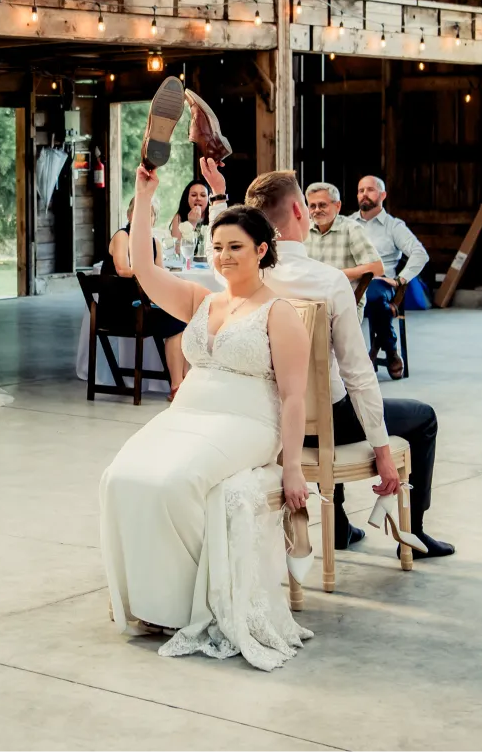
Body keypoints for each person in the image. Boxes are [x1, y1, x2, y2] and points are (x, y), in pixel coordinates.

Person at [101, 162, 315, 671]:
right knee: (120, 478)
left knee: (176, 482)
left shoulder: (280, 312)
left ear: (262, 250)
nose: (223, 256)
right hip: (189, 413)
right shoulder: (201, 298)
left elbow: (292, 397)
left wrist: (291, 467)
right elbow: (147, 272)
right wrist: (143, 197)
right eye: (217, 247)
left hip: (246, 422)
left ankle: (187, 607)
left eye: (236, 247)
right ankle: (153, 605)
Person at [246, 168, 455, 558]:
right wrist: (382, 451)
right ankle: (417, 532)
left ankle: (340, 528)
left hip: (268, 421)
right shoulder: (327, 281)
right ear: (298, 210)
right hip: (328, 421)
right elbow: (358, 374)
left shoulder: (245, 277)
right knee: (420, 417)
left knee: (332, 403)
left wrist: (222, 200)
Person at [105, 197, 188, 396]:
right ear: (129, 215)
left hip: (143, 307)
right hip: (119, 310)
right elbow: (122, 269)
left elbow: (159, 276)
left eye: (149, 214)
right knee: (178, 323)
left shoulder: (154, 243)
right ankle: (178, 386)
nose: (143, 217)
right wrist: (151, 273)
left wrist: (169, 277)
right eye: (139, 212)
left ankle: (182, 385)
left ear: (153, 219)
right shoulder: (122, 236)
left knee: (183, 318)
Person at [350, 175, 429, 379]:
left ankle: (391, 352)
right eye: (360, 190)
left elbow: (420, 254)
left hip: (380, 283)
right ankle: (346, 360)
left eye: (370, 189)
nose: (364, 194)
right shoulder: (347, 223)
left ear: (382, 195)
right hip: (351, 281)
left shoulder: (394, 226)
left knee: (376, 299)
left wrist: (400, 280)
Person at [304, 182, 384, 293]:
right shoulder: (303, 230)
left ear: (337, 206)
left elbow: (377, 268)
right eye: (312, 206)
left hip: (344, 302)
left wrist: (336, 276)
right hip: (309, 299)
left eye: (322, 205)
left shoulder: (352, 229)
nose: (317, 210)